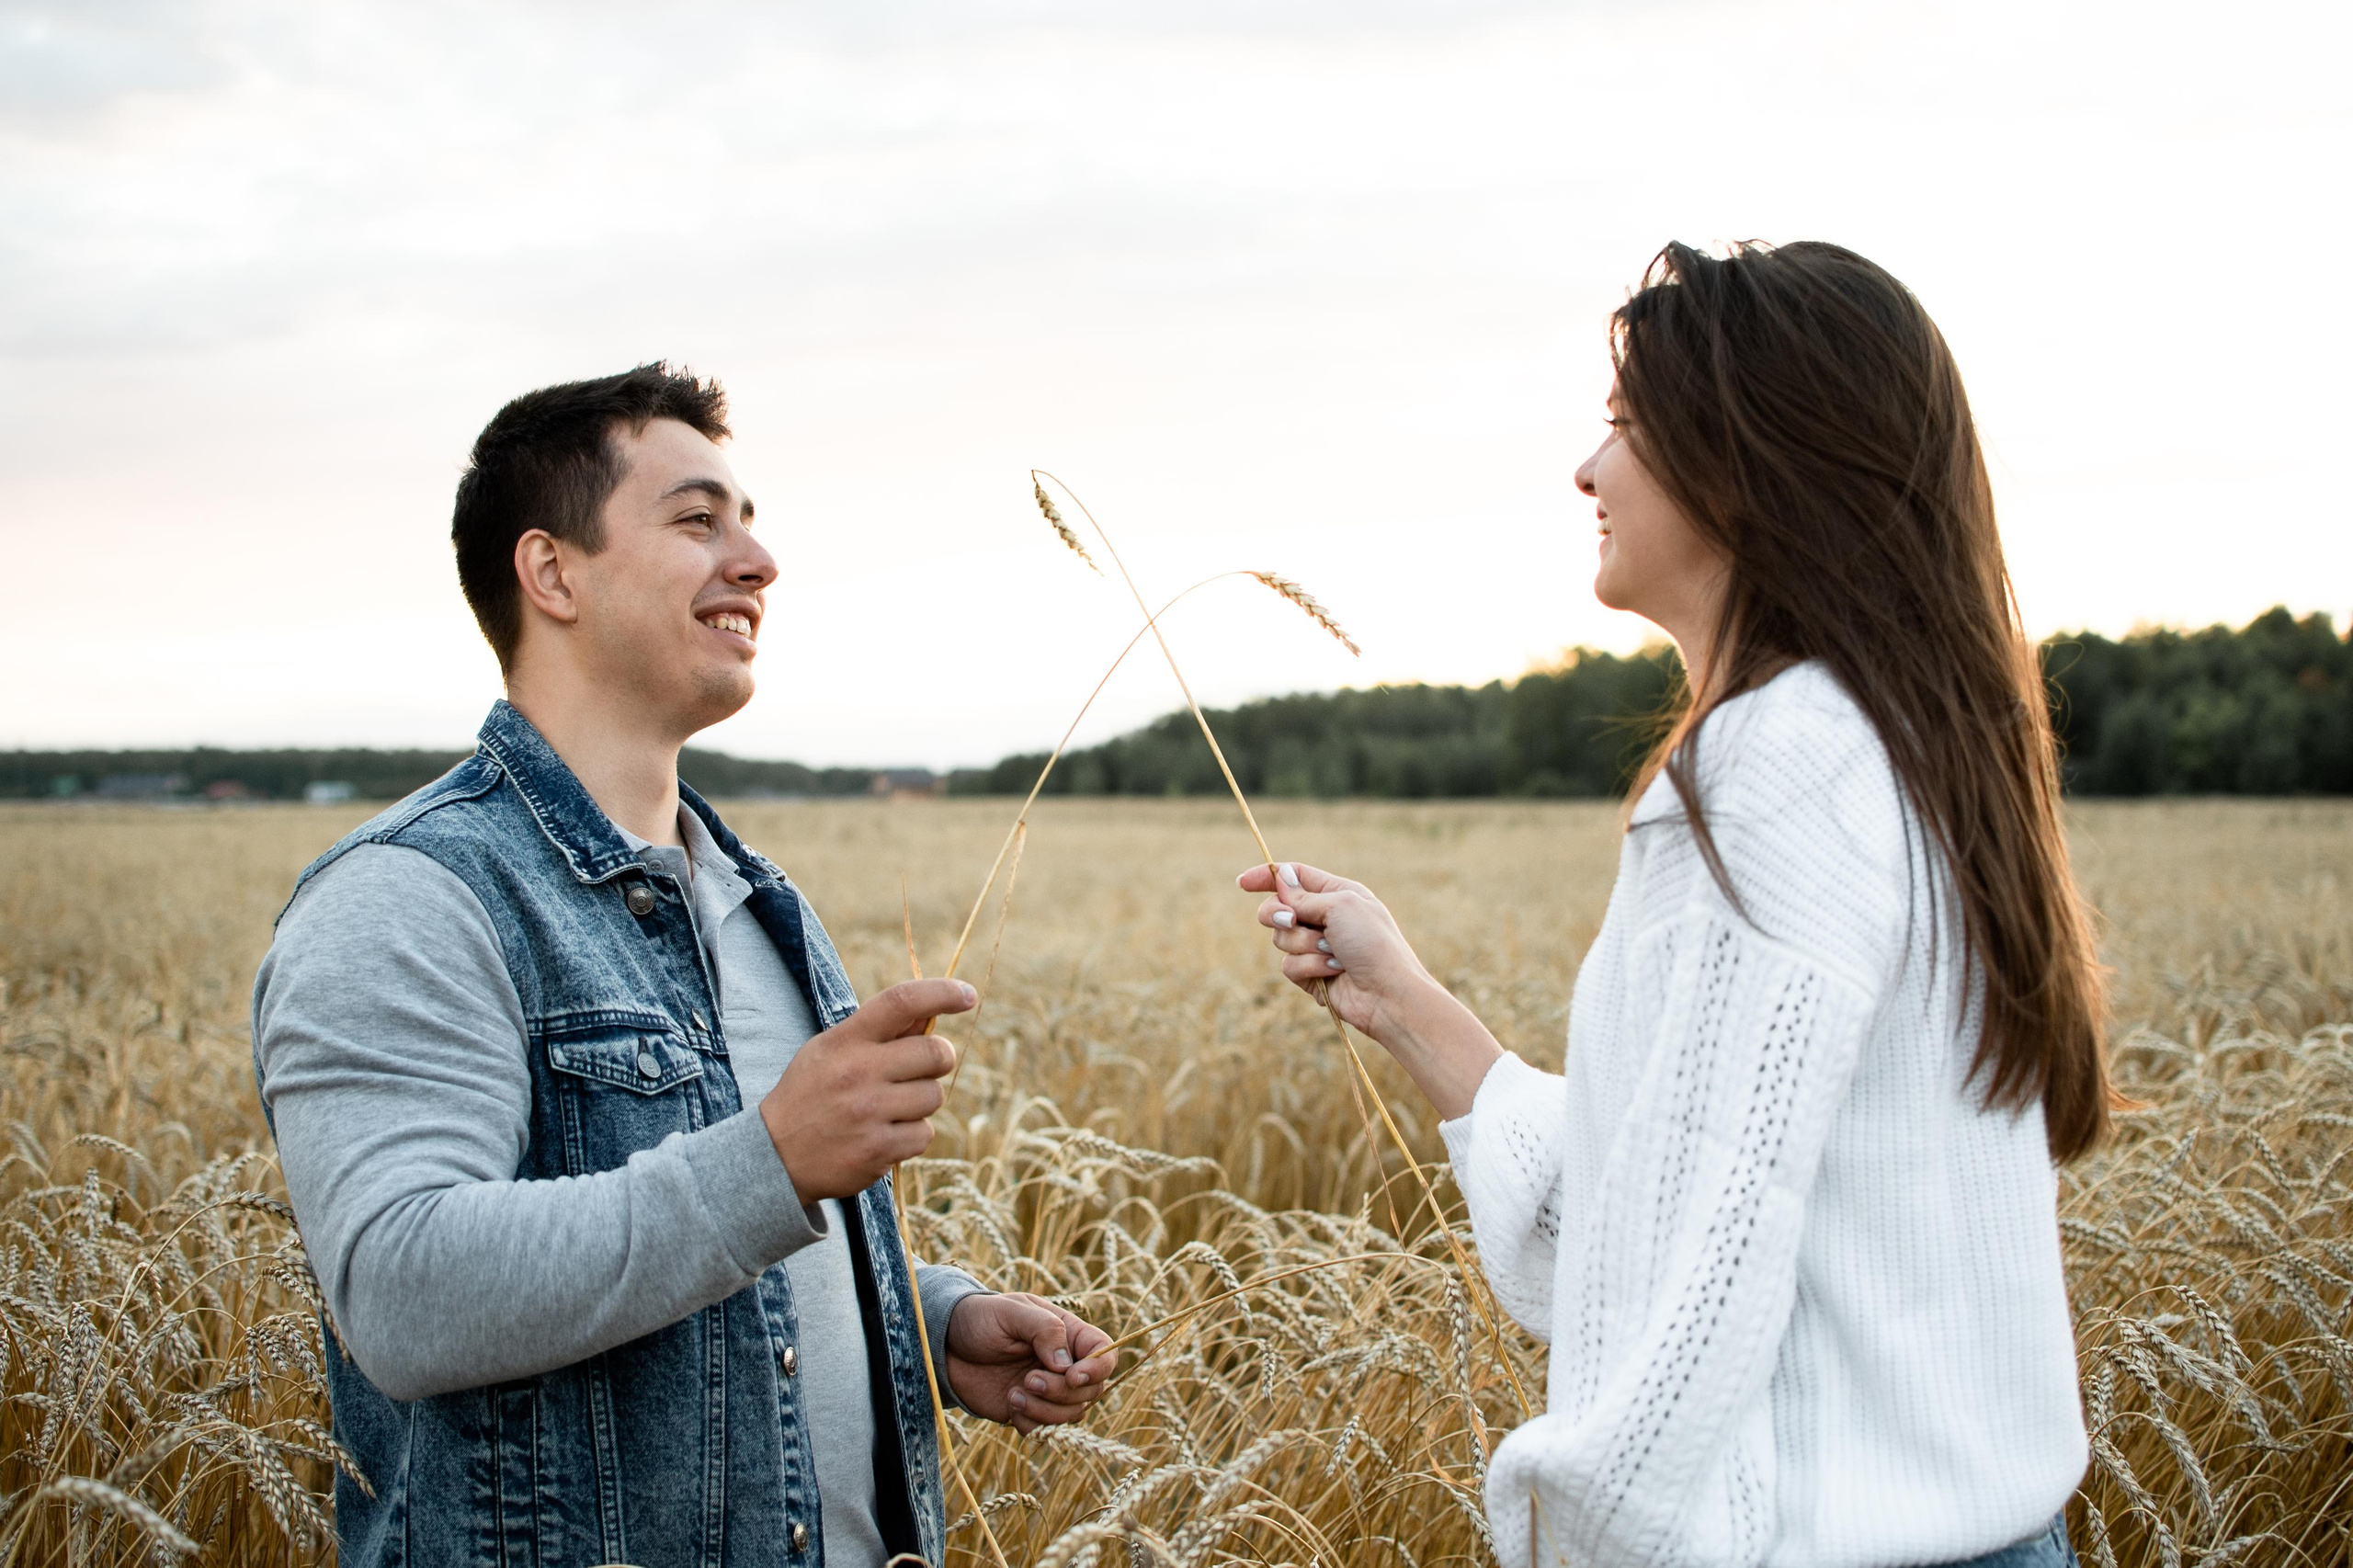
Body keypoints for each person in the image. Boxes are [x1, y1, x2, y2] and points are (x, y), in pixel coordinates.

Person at [1241, 243, 2109, 1568]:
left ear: (1750, 460)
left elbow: (1684, 1290)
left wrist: (1560, 1518)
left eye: (1629, 428)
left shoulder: (1771, 770)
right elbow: (1671, 1198)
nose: (1588, 470)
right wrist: (1405, 1004)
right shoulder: (1893, 748)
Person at [254, 364, 1117, 1568]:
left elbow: (724, 1258)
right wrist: (770, 1159)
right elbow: (404, 1290)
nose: (757, 560)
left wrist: (927, 1323)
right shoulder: (408, 896)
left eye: (751, 522)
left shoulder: (758, 900)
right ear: (552, 572)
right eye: (699, 519)